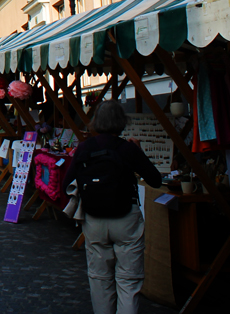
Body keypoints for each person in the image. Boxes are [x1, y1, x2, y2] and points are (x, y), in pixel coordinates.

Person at [63, 100, 162, 314]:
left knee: (100, 279)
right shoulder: (127, 148)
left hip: (94, 220)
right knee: (128, 282)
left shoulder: (84, 147)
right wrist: (138, 152)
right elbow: (155, 180)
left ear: (96, 122)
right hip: (126, 218)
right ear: (121, 122)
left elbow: (66, 184)